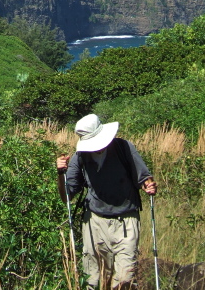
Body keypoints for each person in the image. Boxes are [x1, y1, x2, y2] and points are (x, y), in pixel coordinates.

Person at [55, 114, 157, 290]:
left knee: (125, 279)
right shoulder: (80, 157)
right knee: (92, 279)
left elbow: (144, 178)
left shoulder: (123, 148)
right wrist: (60, 174)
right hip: (94, 222)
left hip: (126, 220)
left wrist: (149, 186)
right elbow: (67, 196)